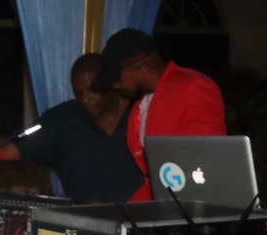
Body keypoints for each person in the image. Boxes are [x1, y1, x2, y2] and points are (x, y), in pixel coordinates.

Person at [0, 54, 143, 203]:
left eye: (93, 91)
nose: (86, 99)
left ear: (111, 83)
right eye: (79, 93)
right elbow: (10, 147)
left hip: (141, 227)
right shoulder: (62, 122)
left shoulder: (141, 112)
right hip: (85, 233)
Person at [90, 27, 226, 201]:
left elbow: (203, 164)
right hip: (166, 208)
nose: (115, 86)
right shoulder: (141, 105)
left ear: (143, 68)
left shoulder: (193, 87)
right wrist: (120, 215)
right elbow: (155, 180)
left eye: (117, 79)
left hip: (192, 212)